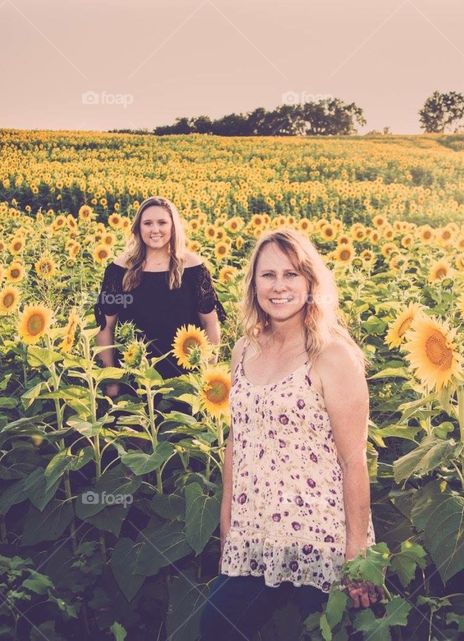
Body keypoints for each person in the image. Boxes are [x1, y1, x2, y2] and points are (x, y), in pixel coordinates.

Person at [199, 229, 382, 640]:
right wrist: (228, 528)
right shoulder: (244, 349)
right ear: (254, 284)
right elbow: (237, 442)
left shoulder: (332, 354)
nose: (279, 286)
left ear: (310, 282)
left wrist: (357, 552)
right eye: (268, 275)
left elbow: (353, 459)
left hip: (321, 537)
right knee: (217, 627)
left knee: (327, 632)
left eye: (291, 274)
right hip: (256, 534)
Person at [94, 197, 225, 388]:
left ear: (173, 226)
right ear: (138, 228)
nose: (155, 229)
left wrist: (208, 375)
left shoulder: (192, 267)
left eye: (162, 222)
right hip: (134, 378)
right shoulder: (120, 269)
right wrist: (111, 383)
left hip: (185, 380)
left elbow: (210, 323)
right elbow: (105, 327)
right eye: (148, 223)